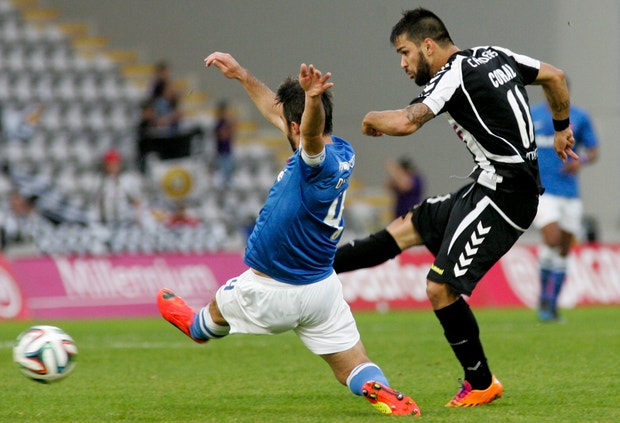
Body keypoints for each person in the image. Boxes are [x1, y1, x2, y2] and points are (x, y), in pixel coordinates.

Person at [333, 8, 577, 408]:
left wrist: (369, 118)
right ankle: (318, 267)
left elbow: (408, 122)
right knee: (410, 226)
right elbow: (555, 75)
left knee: (439, 288)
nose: (403, 64)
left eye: (405, 52)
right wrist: (562, 127)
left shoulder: (453, 73)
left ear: (428, 45)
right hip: (487, 186)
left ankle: (481, 383)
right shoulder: (495, 54)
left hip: (505, 198)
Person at [157, 52, 421, 416]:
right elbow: (284, 116)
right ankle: (380, 388)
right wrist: (242, 75)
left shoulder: (316, 162)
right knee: (352, 364)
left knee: (215, 310)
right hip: (321, 291)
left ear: (296, 126)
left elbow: (309, 135)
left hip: (271, 290)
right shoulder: (342, 150)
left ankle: (194, 325)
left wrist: (310, 99)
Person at [530, 98, 599, 321]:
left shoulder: (580, 116)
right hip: (543, 191)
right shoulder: (532, 115)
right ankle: (543, 297)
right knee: (552, 239)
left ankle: (552, 305)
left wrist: (582, 161)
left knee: (564, 249)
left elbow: (594, 150)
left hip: (569, 193)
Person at [213, 100, 237, 186]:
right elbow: (222, 135)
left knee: (228, 171)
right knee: (223, 172)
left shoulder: (226, 123)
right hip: (222, 152)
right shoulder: (219, 123)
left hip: (227, 150)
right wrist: (230, 128)